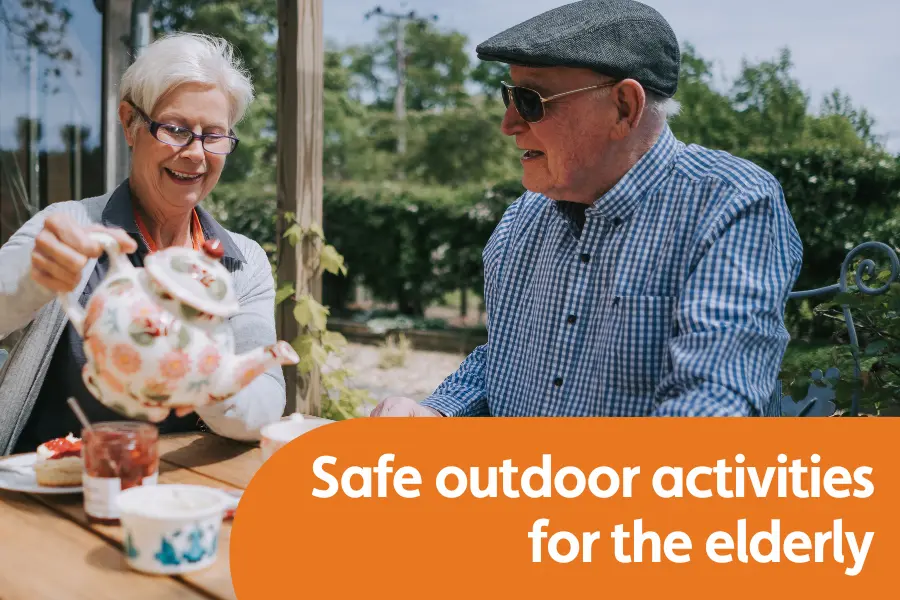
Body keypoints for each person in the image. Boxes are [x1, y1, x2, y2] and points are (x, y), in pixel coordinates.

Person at [370, 0, 803, 418]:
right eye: (510, 97)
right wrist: (436, 413)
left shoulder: (731, 204)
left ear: (624, 107)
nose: (508, 124)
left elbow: (710, 404)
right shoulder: (521, 221)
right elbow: (507, 362)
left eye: (531, 100)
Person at [0, 33, 285, 455]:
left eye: (214, 135)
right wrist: (33, 283)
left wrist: (196, 371)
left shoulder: (241, 263)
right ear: (130, 123)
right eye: (175, 129)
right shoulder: (69, 227)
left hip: (178, 495)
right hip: (45, 493)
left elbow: (264, 397)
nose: (195, 153)